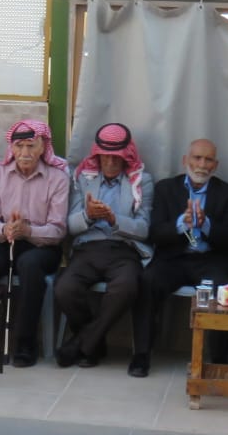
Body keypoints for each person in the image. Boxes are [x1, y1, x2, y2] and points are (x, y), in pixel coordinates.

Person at [129, 139, 228, 378]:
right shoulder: (165, 189)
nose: (202, 164)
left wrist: (206, 224)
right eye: (197, 158)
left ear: (216, 165)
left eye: (208, 159)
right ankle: (141, 355)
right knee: (147, 281)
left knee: (222, 290)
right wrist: (182, 223)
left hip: (210, 260)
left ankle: (219, 360)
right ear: (185, 161)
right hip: (173, 259)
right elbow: (155, 233)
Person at [53, 123, 154, 369]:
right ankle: (94, 344)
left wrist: (114, 219)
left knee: (126, 287)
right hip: (88, 248)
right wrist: (88, 216)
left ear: (126, 156)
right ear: (97, 155)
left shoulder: (141, 181)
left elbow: (143, 229)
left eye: (116, 157)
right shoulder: (83, 177)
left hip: (124, 249)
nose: (109, 162)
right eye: (105, 156)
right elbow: (70, 226)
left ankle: (82, 345)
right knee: (64, 288)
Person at [0, 120, 69, 368]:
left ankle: (25, 344)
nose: (25, 153)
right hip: (5, 240)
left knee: (29, 265)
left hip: (42, 245)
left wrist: (28, 231)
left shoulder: (58, 178)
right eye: (19, 146)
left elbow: (58, 230)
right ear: (12, 148)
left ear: (43, 147)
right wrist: (4, 229)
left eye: (31, 146)